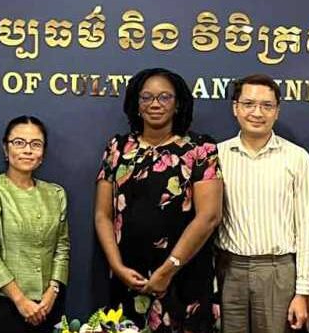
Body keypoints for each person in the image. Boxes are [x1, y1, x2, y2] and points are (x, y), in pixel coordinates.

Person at [94, 68, 223, 332]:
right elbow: (103, 215)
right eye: (147, 97)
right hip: (129, 278)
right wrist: (117, 266)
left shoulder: (200, 149)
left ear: (177, 104)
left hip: (183, 278)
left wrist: (168, 269)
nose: (155, 104)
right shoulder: (117, 148)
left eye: (164, 97)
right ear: (136, 105)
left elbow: (209, 216)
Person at [216, 75, 309, 333]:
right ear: (235, 107)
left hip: (277, 270)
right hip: (229, 270)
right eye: (248, 103)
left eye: (267, 105)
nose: (257, 112)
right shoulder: (216, 155)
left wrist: (302, 291)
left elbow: (305, 227)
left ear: (277, 111)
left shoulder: (296, 157)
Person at [0, 115, 69, 333]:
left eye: (36, 144)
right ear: (6, 150)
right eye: (19, 143)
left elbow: (62, 248)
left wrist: (52, 291)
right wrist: (21, 301)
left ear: (43, 153)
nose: (27, 150)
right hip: (0, 304)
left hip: (46, 306)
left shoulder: (56, 194)